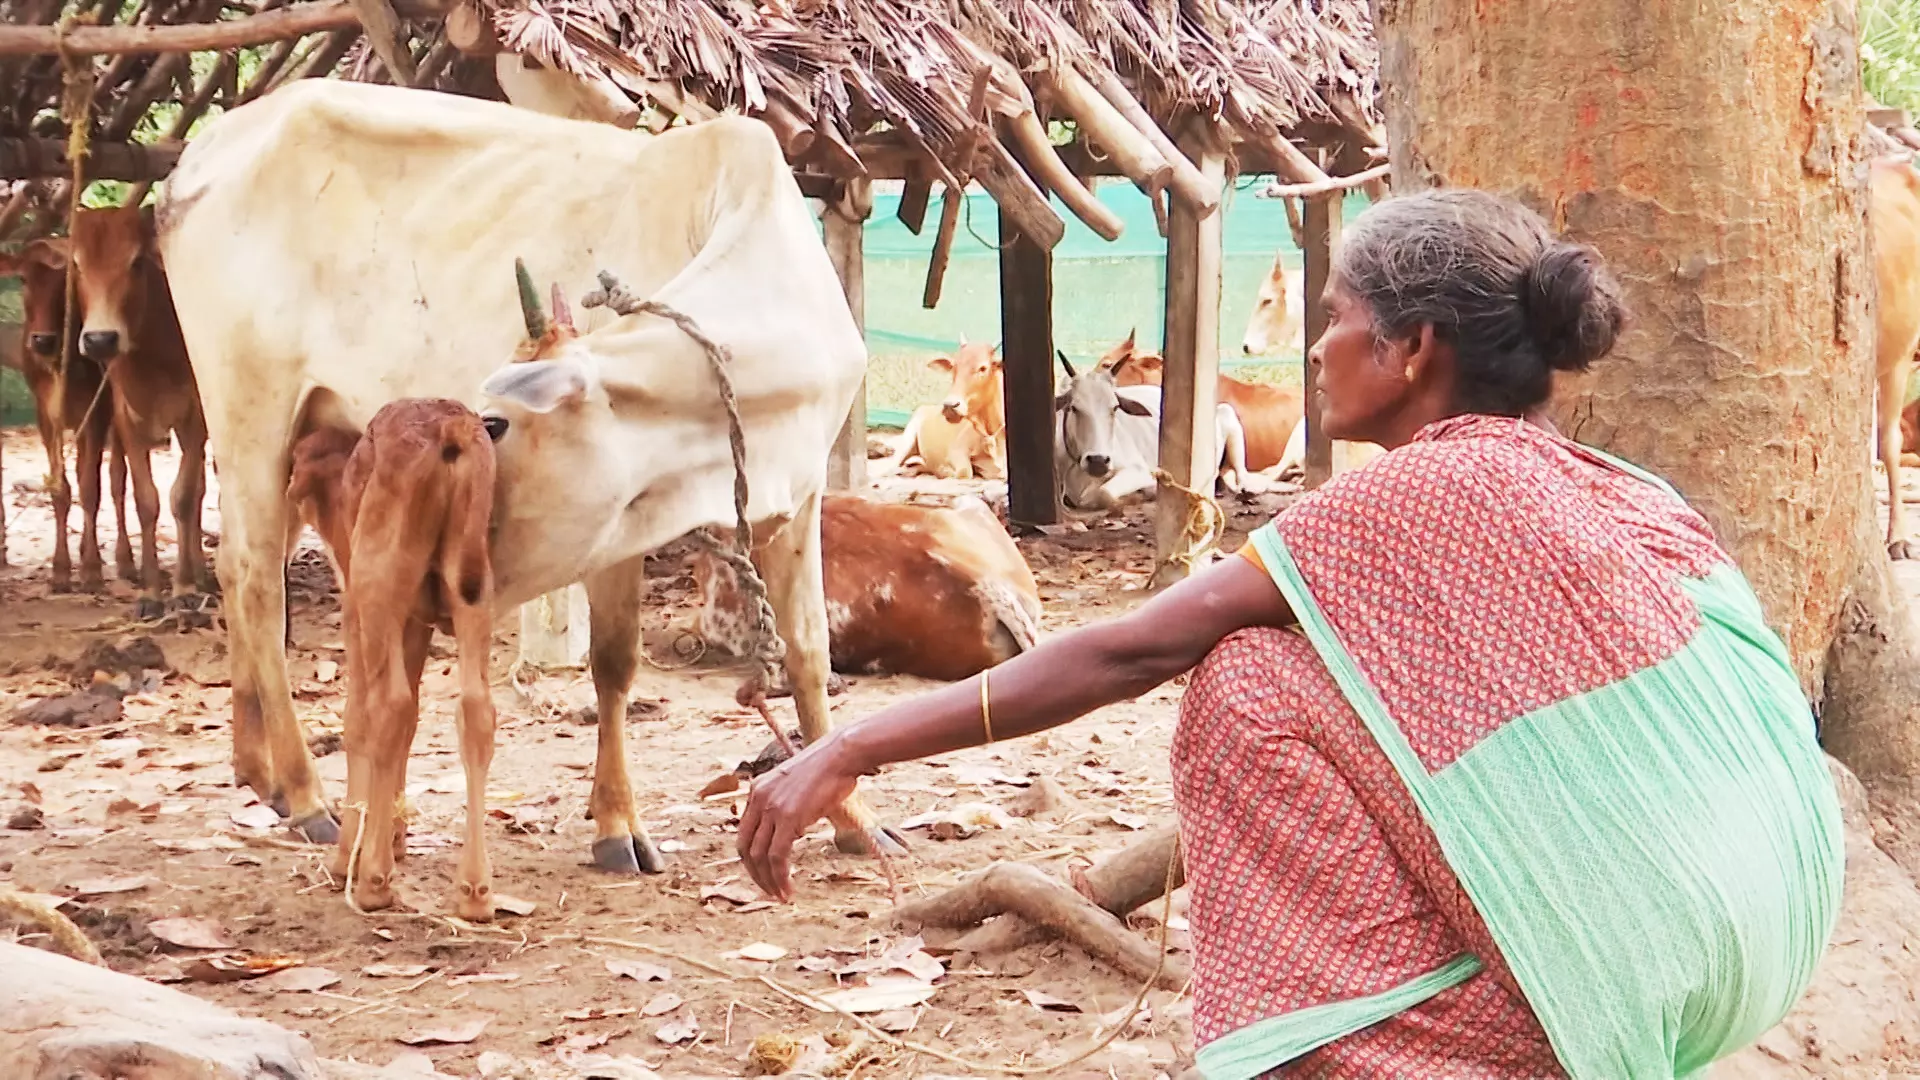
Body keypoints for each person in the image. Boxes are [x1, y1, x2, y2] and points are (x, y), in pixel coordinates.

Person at [737, 190, 1844, 1079]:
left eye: (1333, 319)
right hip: (1767, 936)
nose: (1313, 350)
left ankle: (1343, 1051)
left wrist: (850, 746)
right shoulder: (1622, 488)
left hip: (1623, 991)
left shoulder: (1398, 503)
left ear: (1410, 349)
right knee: (1323, 672)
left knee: (1250, 681)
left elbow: (1123, 652)